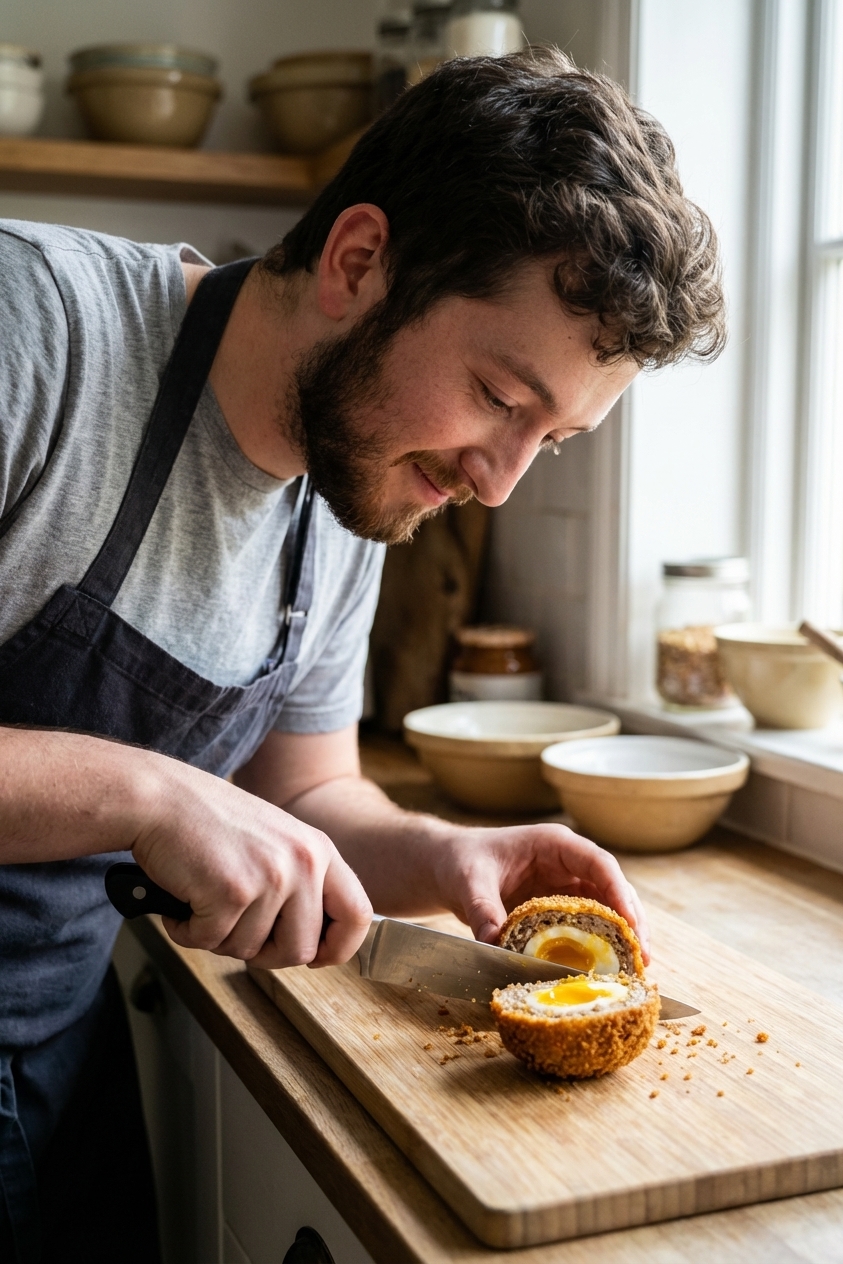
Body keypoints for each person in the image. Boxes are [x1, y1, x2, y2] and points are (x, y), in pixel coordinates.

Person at [0, 47, 724, 1264]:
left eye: (549, 442)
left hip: (49, 1044)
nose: (496, 478)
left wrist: (443, 854)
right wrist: (146, 788)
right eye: (501, 394)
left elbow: (305, 792)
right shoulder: (36, 336)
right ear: (357, 262)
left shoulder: (356, 483)